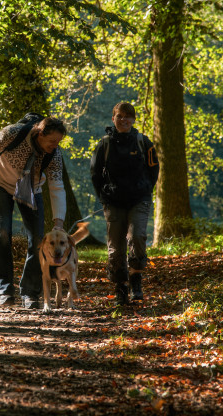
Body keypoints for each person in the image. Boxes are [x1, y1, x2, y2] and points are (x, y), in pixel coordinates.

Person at [0, 116, 68, 309]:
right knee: (4, 232)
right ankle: (5, 290)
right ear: (40, 134)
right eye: (52, 141)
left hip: (32, 190)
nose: (55, 146)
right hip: (1, 185)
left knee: (39, 239)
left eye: (58, 142)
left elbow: (57, 186)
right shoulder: (12, 133)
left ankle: (30, 293)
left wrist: (59, 222)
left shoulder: (54, 155)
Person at [90, 102, 159, 305]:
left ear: (133, 119)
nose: (124, 120)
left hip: (139, 200)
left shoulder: (143, 142)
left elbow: (154, 170)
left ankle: (136, 277)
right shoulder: (104, 144)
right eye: (120, 116)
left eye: (128, 116)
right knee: (116, 247)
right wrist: (103, 196)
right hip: (113, 202)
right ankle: (121, 287)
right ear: (113, 119)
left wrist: (145, 189)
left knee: (137, 236)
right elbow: (95, 173)